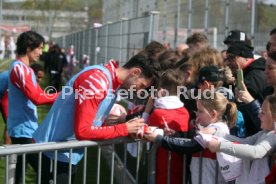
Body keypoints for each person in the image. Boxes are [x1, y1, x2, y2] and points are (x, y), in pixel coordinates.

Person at [32, 54, 160, 184]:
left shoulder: (110, 81)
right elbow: (83, 131)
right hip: (53, 152)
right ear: (135, 72)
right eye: (142, 85)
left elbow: (90, 122)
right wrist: (124, 129)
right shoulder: (98, 81)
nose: (139, 91)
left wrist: (123, 127)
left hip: (64, 152)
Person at [144, 92, 237, 184]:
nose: (197, 114)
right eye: (197, 110)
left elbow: (191, 146)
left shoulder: (215, 130)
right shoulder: (213, 128)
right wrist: (175, 135)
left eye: (201, 111)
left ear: (213, 114)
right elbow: (192, 142)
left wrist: (158, 139)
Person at [7, 31, 59, 184]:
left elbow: (40, 94)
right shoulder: (20, 69)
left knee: (20, 173)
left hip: (25, 128)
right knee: (46, 171)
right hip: (23, 130)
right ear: (29, 47)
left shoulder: (26, 69)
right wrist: (64, 96)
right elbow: (37, 98)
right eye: (39, 48)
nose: (40, 52)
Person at [206, 94, 276, 184]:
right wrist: (216, 133)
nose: (259, 116)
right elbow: (245, 142)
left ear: (274, 117)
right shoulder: (264, 132)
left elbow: (256, 152)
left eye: (263, 113)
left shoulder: (274, 136)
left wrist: (220, 146)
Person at [147, 69, 190, 184]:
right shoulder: (185, 111)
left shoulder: (158, 112)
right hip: (180, 159)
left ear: (161, 89)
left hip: (161, 159)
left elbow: (145, 127)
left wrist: (148, 108)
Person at [0, 71, 10, 144]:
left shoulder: (5, 73)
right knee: (9, 124)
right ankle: (7, 148)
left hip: (3, 97)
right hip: (3, 98)